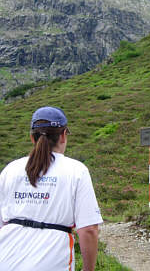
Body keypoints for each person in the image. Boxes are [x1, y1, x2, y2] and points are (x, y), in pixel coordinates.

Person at [0, 106, 103, 271]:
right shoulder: (76, 170)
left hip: (5, 259)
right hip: (53, 262)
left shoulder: (10, 169)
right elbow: (89, 229)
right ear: (63, 136)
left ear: (32, 138)